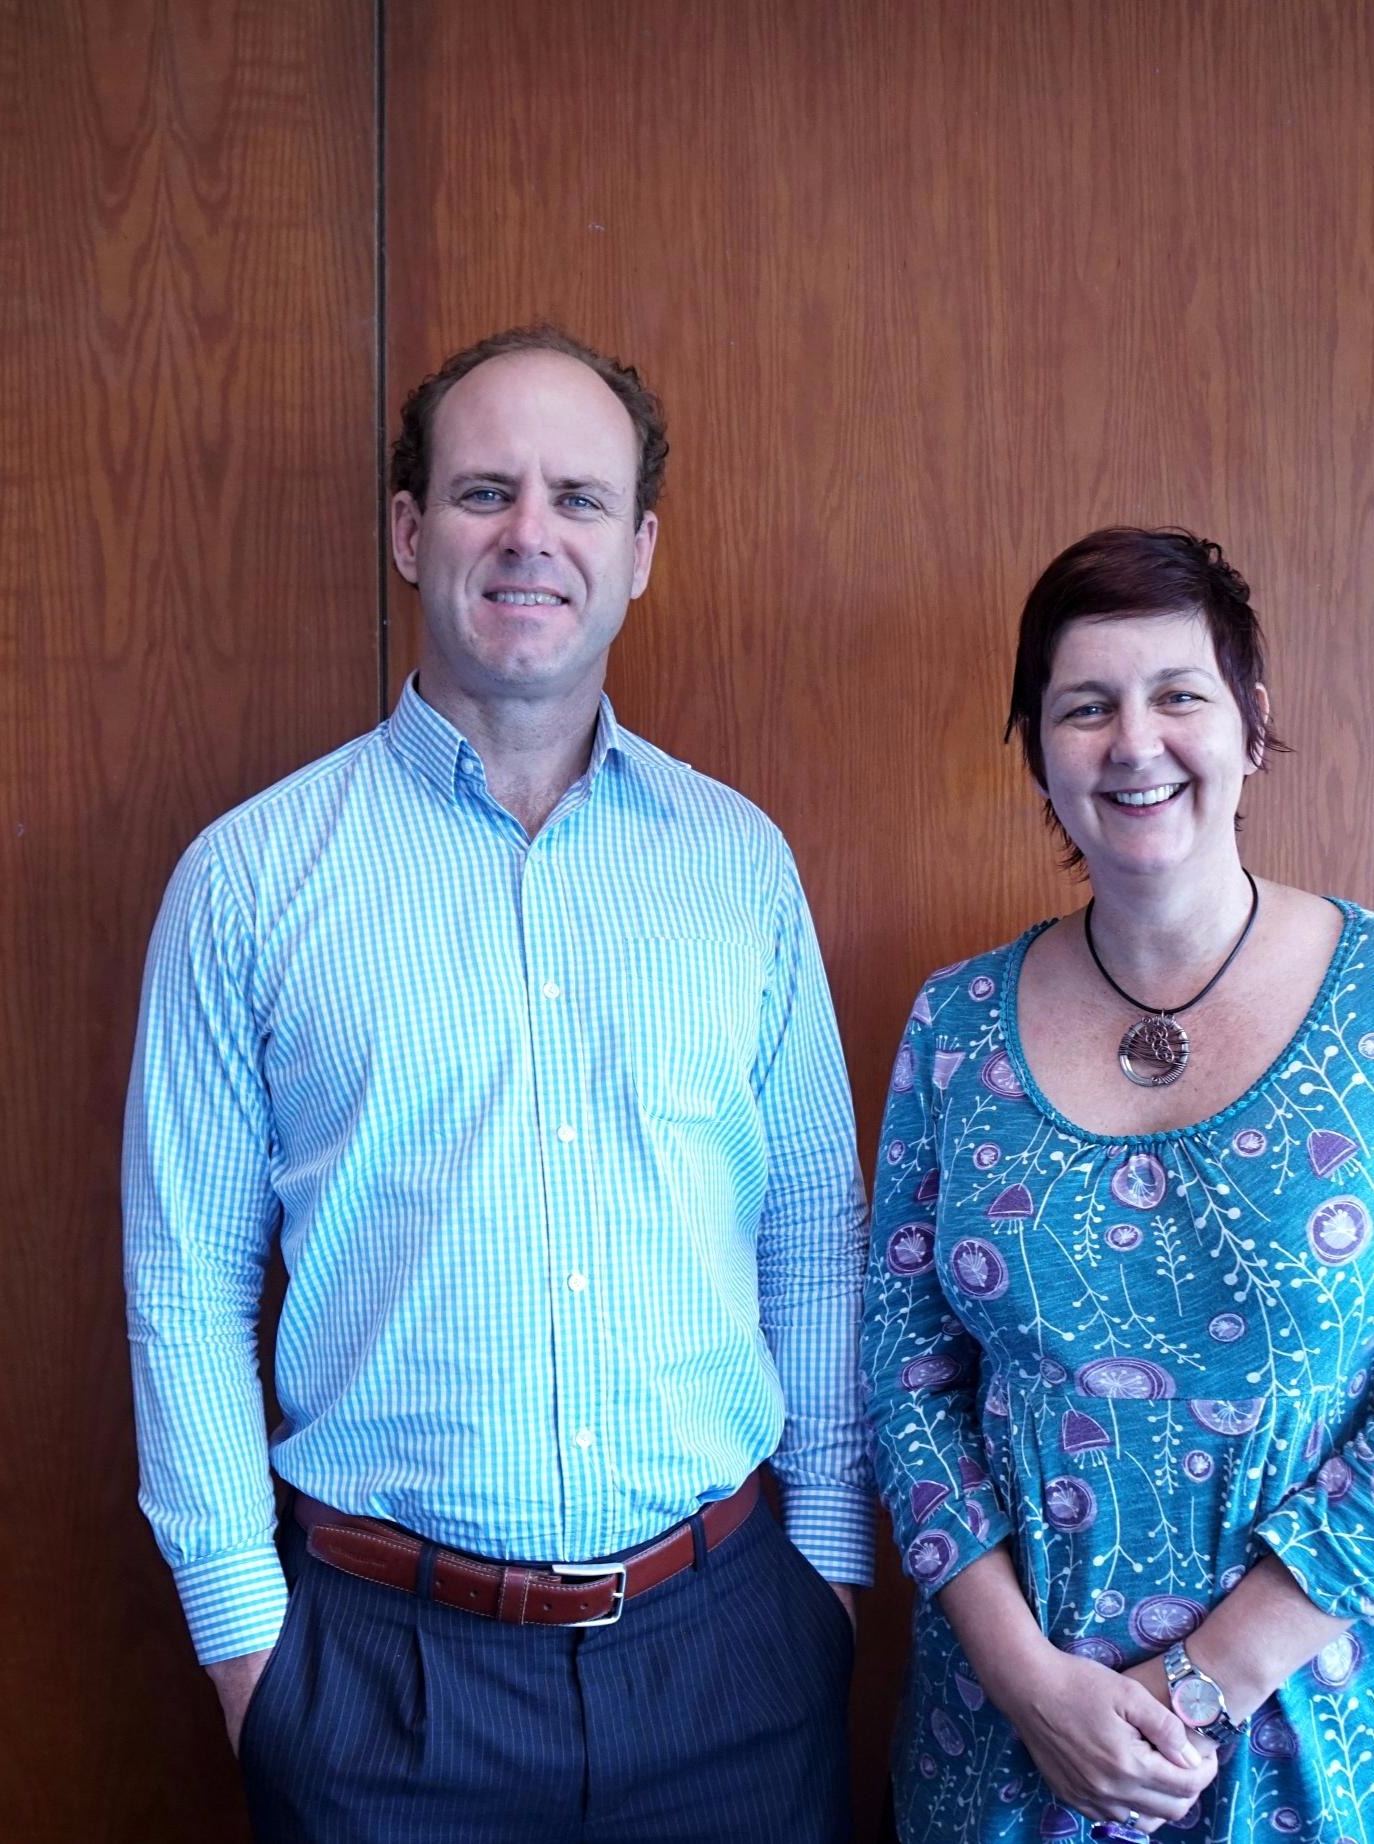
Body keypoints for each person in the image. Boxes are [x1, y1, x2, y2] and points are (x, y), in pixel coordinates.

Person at [123, 325, 868, 1844]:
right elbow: (180, 1280)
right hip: (376, 1688)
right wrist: (247, 1655)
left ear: (641, 549)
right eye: (483, 492)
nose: (531, 534)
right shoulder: (252, 878)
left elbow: (812, 1234)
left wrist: (832, 1585)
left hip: (728, 1661)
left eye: (579, 499)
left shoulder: (739, 866)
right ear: (410, 532)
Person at [862, 528, 1374, 1843]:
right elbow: (902, 1370)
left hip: (1324, 1746)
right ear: (1035, 748)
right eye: (1083, 705)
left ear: (1249, 725)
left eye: (1178, 694)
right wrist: (1026, 1683)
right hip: (1009, 1754)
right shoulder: (951, 1026)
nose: (1133, 741)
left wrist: (1203, 1684)